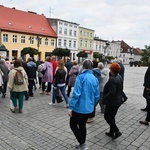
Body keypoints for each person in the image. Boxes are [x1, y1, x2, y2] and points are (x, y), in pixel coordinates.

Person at [68, 59, 100, 150]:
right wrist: (92, 104)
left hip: (79, 108)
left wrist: (71, 107)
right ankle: (82, 144)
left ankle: (82, 143)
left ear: (83, 66)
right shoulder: (94, 78)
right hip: (88, 108)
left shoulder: (81, 77)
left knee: (73, 124)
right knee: (82, 125)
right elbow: (97, 95)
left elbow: (76, 94)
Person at [103, 62, 123, 139]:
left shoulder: (113, 79)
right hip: (118, 100)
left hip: (112, 102)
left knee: (107, 117)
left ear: (112, 70)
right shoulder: (119, 77)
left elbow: (112, 92)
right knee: (112, 117)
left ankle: (117, 131)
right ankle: (111, 132)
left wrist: (105, 98)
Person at [139, 57, 150, 125]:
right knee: (145, 95)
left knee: (147, 97)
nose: (148, 60)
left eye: (149, 59)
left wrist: (148, 86)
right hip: (147, 85)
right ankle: (147, 106)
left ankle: (147, 120)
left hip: (148, 86)